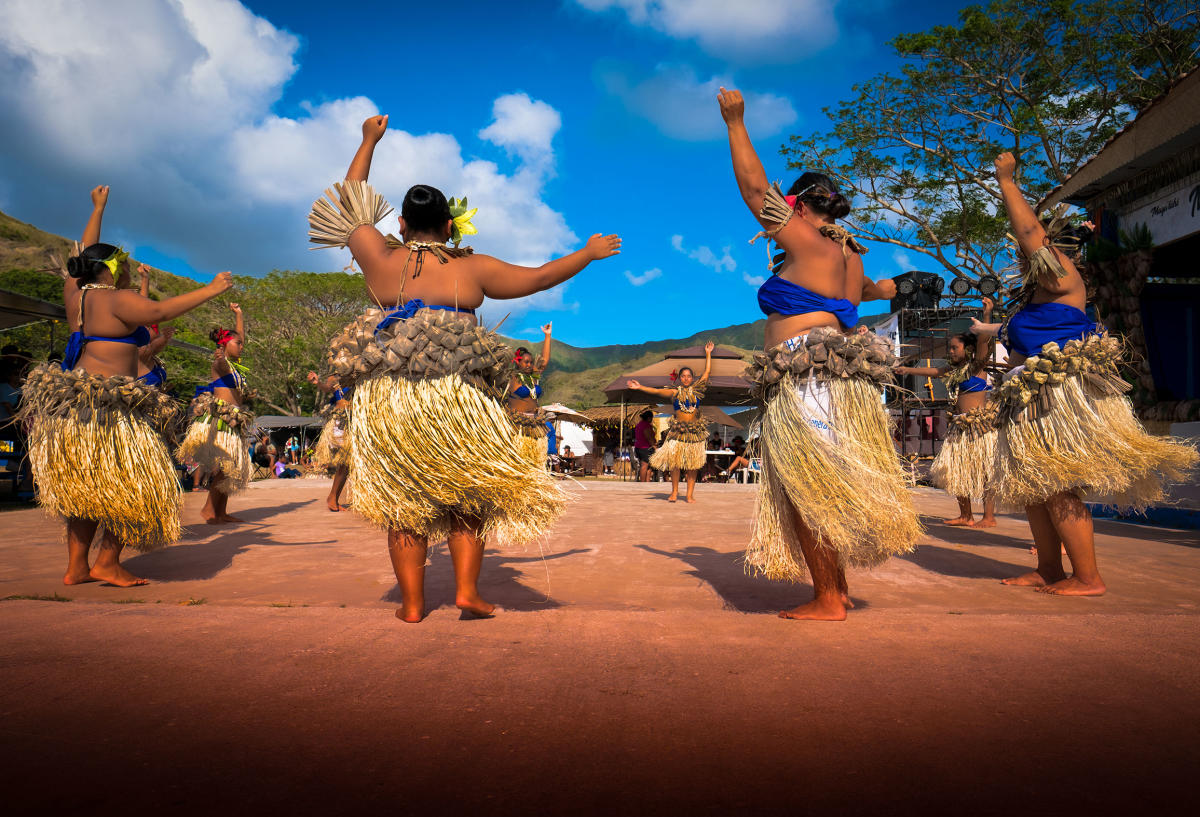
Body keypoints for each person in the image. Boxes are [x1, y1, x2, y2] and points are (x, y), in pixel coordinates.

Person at [307, 112, 620, 623]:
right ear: (450, 226)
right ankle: (467, 592)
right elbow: (540, 278)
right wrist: (586, 253)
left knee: (403, 497)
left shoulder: (380, 260)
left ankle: (412, 604)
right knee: (465, 490)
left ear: (401, 225)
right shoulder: (471, 268)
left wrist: (368, 140)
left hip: (392, 399)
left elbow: (349, 199)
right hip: (455, 397)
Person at [720, 87, 922, 620]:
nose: (781, 218)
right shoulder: (850, 258)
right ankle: (837, 587)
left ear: (801, 208)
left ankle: (829, 597)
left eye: (789, 209)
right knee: (820, 477)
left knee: (809, 482)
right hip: (832, 378)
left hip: (808, 375)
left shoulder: (810, 243)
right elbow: (868, 297)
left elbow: (754, 191)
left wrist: (735, 123)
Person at [969, 152, 1198, 596]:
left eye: (1029, 250)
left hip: (1059, 397)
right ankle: (1050, 568)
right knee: (1034, 484)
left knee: (1057, 483)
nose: (1023, 252)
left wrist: (1007, 182)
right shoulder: (1035, 300)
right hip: (1029, 399)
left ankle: (1088, 577)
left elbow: (1032, 231)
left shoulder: (1062, 279)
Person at [18, 184, 233, 586]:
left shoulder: (77, 293)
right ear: (111, 271)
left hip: (77, 406)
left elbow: (84, 249)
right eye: (125, 265)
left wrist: (97, 207)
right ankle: (107, 562)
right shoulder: (118, 300)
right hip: (113, 409)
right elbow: (159, 309)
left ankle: (77, 566)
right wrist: (211, 289)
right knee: (133, 483)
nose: (131, 271)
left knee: (85, 485)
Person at [895, 301, 999, 528]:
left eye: (954, 348)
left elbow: (983, 340)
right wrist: (908, 369)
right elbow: (934, 370)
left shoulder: (977, 366)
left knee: (984, 471)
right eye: (950, 348)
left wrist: (987, 316)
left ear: (967, 350)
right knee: (957, 468)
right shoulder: (954, 370)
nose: (951, 352)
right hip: (959, 425)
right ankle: (966, 515)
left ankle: (989, 517)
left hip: (979, 427)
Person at [177, 302, 254, 524]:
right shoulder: (221, 363)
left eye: (240, 343)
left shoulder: (236, 363)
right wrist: (220, 358)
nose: (241, 346)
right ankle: (209, 509)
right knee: (225, 464)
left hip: (233, 419)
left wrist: (239, 314)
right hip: (221, 418)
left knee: (230, 468)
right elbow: (221, 365)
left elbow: (240, 337)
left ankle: (220, 511)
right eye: (237, 343)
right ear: (224, 345)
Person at [627, 343, 713, 502]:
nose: (686, 378)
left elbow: (707, 373)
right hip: (678, 431)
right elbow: (657, 391)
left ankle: (689, 494)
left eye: (689, 376)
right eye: (683, 376)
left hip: (694, 432)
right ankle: (674, 492)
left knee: (693, 465)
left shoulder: (697, 391)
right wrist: (640, 387)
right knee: (675, 463)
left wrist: (708, 353)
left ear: (692, 378)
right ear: (680, 379)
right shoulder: (675, 392)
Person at [506, 324, 554, 464]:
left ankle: (551, 457)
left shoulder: (533, 378)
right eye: (526, 362)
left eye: (531, 362)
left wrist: (547, 335)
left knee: (549, 429)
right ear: (517, 362)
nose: (529, 365)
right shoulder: (511, 378)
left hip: (534, 422)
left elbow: (544, 362)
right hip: (518, 425)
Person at [308, 371, 353, 511]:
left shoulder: (358, 371)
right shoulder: (336, 375)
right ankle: (332, 498)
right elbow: (328, 388)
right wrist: (318, 383)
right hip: (342, 421)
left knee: (348, 464)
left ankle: (333, 497)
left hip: (354, 421)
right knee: (345, 462)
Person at [632, 409, 656, 482]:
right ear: (649, 418)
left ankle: (647, 482)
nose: (652, 420)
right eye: (652, 418)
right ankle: (643, 483)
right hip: (645, 448)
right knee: (644, 466)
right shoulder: (646, 425)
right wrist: (655, 447)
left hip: (638, 447)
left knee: (648, 467)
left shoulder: (639, 424)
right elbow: (648, 437)